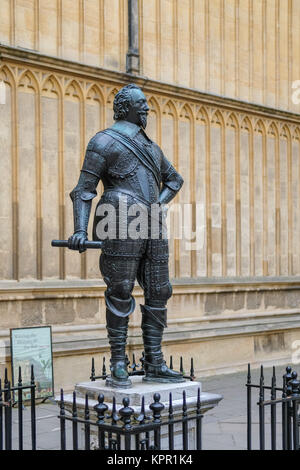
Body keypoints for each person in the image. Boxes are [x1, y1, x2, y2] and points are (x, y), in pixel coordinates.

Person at [68, 84, 184, 388]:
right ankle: (118, 362)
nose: (146, 108)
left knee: (159, 290)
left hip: (153, 224)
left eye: (146, 103)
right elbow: (83, 190)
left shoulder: (151, 147)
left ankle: (155, 362)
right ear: (125, 108)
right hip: (119, 219)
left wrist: (158, 202)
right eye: (141, 103)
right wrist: (80, 229)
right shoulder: (104, 142)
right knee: (120, 289)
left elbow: (175, 179)